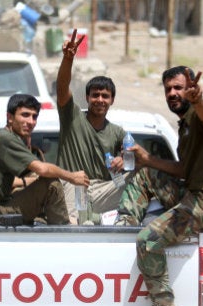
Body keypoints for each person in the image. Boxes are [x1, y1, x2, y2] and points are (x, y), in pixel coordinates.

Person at [116, 66, 203, 306]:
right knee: (146, 175)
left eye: (178, 88)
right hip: (192, 193)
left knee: (148, 241)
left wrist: (199, 99)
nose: (172, 93)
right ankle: (124, 228)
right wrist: (147, 159)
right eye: (168, 89)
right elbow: (183, 170)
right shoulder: (184, 126)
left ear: (190, 89)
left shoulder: (199, 117)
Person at [0, 94, 89, 225]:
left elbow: (14, 181)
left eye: (34, 116)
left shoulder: (4, 137)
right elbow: (42, 169)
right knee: (51, 184)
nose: (31, 121)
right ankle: (65, 232)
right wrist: (72, 177)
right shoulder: (4, 139)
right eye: (25, 115)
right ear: (10, 117)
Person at [56, 29, 131, 225]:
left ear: (112, 100)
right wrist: (68, 59)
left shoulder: (118, 132)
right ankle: (86, 220)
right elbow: (62, 88)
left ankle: (120, 220)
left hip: (103, 190)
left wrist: (123, 160)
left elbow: (134, 156)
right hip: (74, 186)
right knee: (74, 227)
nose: (100, 100)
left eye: (105, 96)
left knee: (139, 176)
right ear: (87, 98)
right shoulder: (71, 117)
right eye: (95, 95)